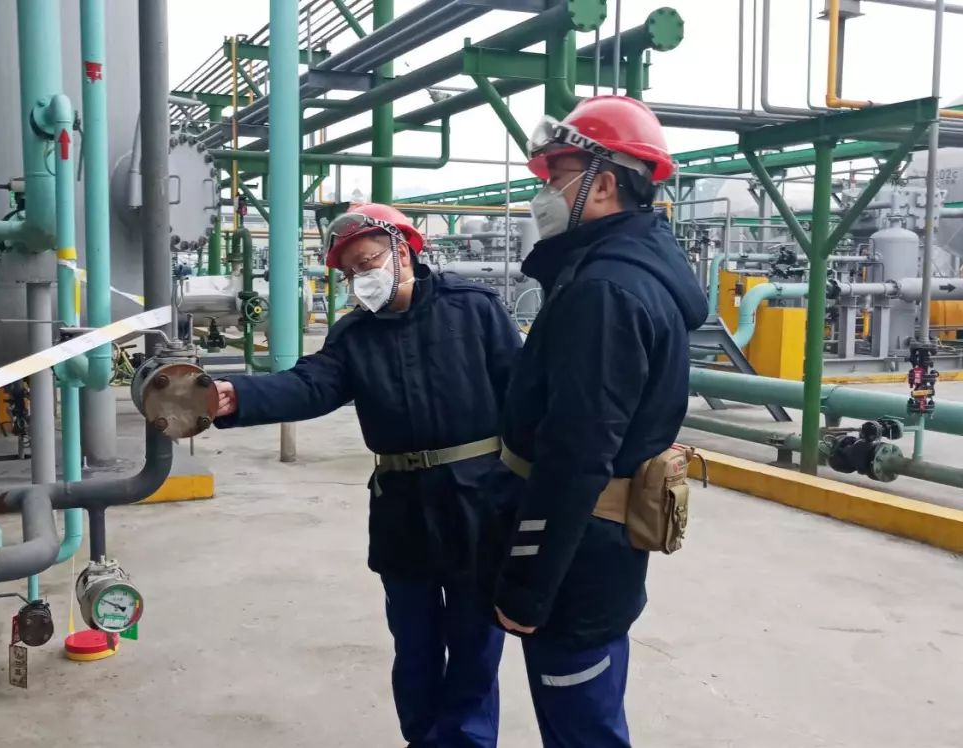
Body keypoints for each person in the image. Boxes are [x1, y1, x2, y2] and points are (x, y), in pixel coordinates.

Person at [212, 203, 523, 748]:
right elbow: (312, 385)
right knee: (415, 643)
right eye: (351, 270)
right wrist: (237, 395)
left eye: (368, 261)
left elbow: (522, 395)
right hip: (402, 507)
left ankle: (468, 742)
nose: (361, 277)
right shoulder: (355, 334)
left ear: (404, 251)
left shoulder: (473, 309)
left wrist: (528, 489)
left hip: (477, 500)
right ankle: (423, 739)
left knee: (475, 642)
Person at [487, 96, 709, 746]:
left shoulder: (604, 292)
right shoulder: (623, 272)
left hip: (577, 557)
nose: (544, 195)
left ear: (605, 185)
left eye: (557, 178)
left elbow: (577, 454)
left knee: (581, 725)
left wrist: (527, 585)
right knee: (588, 712)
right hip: (599, 550)